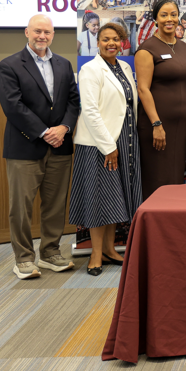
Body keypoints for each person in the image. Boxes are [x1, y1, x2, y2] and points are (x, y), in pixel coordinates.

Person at [0, 14, 79, 279]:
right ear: (27, 32)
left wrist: (64, 128)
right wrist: (44, 132)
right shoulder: (10, 65)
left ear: (53, 35)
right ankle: (23, 258)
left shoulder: (64, 65)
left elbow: (73, 102)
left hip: (60, 148)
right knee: (21, 207)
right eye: (37, 31)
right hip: (25, 147)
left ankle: (50, 252)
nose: (42, 36)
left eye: (47, 32)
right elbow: (13, 106)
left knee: (55, 205)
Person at [69, 22, 141, 276]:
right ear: (97, 43)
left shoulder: (124, 66)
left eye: (116, 39)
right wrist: (108, 146)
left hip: (125, 141)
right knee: (99, 200)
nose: (111, 43)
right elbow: (89, 111)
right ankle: (96, 255)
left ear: (122, 43)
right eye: (105, 39)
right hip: (100, 144)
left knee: (116, 199)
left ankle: (110, 249)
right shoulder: (90, 69)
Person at [135, 0, 186, 200]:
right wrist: (156, 124)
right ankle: (151, 227)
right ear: (155, 19)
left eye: (173, 14)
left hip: (180, 126)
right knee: (157, 180)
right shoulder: (147, 49)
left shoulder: (184, 47)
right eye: (164, 15)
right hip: (156, 126)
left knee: (175, 179)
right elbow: (143, 89)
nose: (170, 19)